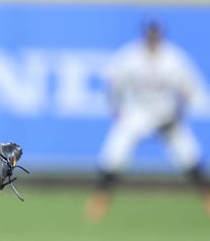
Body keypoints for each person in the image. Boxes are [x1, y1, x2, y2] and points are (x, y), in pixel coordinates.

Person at [85, 20, 210, 222]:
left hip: (165, 113)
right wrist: (116, 109)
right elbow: (112, 82)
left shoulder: (173, 58)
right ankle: (101, 197)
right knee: (115, 149)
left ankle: (207, 196)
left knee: (188, 153)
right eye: (149, 35)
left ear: (160, 36)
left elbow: (189, 89)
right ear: (144, 36)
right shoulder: (131, 56)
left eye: (155, 35)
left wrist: (179, 111)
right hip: (138, 112)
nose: (152, 39)